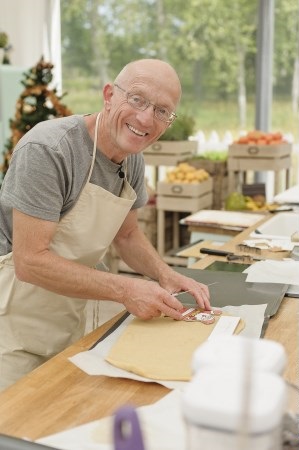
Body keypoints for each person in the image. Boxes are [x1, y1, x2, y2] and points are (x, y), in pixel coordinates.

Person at [0, 58, 211, 390]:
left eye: (161, 111)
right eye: (137, 99)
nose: (145, 118)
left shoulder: (132, 158)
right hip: (13, 323)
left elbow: (126, 236)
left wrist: (163, 272)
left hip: (70, 310)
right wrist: (126, 289)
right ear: (109, 95)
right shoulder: (49, 149)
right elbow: (30, 261)